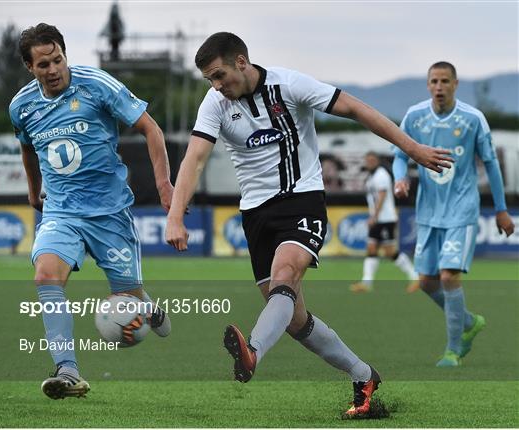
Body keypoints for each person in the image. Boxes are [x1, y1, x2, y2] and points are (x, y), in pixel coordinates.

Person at [165, 32, 452, 416]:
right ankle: (364, 376)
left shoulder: (290, 84)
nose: (217, 86)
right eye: (209, 80)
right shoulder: (215, 103)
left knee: (285, 275)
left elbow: (356, 109)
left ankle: (252, 352)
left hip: (302, 201)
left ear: (241, 62)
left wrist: (412, 148)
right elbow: (195, 159)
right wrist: (175, 214)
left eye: (219, 75)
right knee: (293, 318)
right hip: (255, 215)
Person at [9, 23, 174, 399]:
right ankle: (67, 371)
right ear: (29, 68)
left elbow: (151, 129)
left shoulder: (97, 84)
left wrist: (165, 186)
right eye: (43, 65)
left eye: (58, 59)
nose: (53, 70)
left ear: (65, 54)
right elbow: (27, 148)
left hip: (110, 213)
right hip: (62, 212)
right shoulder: (22, 106)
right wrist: (35, 192)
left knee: (128, 299)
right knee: (46, 276)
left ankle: (148, 308)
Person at [393, 61, 515, 367]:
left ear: (455, 84)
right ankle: (469, 321)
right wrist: (400, 177)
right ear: (427, 85)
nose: (438, 87)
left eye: (444, 81)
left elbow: (491, 164)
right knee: (426, 282)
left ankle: (452, 350)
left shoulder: (473, 119)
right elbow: (398, 155)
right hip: (428, 212)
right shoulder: (415, 116)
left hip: (462, 210)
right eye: (433, 81)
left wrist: (501, 210)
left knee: (448, 276)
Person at [350, 151, 418, 293]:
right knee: (371, 249)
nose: (370, 162)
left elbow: (382, 196)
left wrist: (374, 216)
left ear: (378, 161)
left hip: (385, 218)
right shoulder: (372, 176)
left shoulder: (381, 175)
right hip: (379, 219)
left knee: (390, 252)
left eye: (372, 160)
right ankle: (366, 283)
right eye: (367, 160)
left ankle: (416, 277)